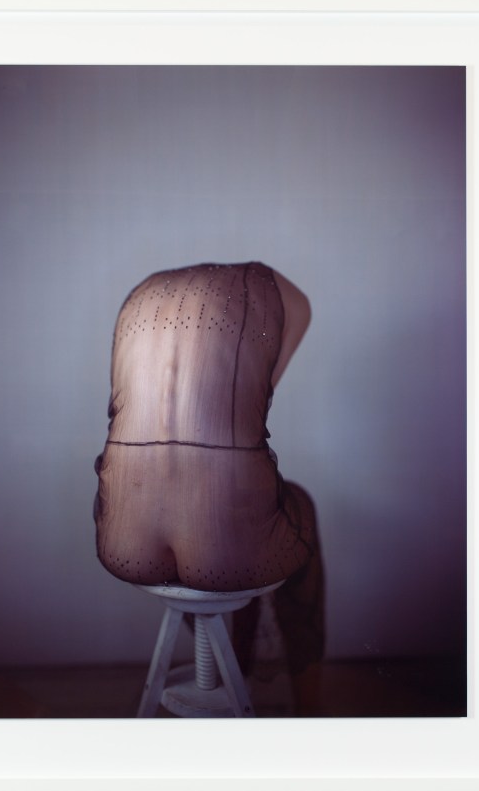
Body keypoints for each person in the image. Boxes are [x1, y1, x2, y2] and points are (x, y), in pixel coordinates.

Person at [94, 261, 324, 714]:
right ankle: (311, 701)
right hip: (229, 553)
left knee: (210, 508)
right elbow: (258, 398)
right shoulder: (279, 294)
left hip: (124, 545)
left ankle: (231, 653)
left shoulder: (138, 296)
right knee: (293, 508)